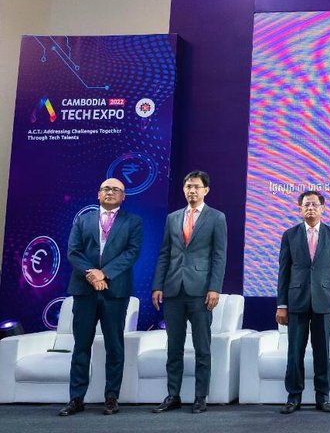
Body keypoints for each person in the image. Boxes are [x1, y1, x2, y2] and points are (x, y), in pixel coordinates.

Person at [59, 178, 143, 416]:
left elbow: (132, 253)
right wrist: (92, 274)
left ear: (123, 197)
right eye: (106, 189)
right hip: (84, 290)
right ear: (98, 194)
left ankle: (111, 397)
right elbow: (73, 251)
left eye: (116, 190)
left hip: (115, 292)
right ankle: (76, 399)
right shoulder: (83, 220)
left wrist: (104, 273)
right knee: (81, 345)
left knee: (114, 346)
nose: (110, 192)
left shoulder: (133, 221)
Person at [151, 170, 227, 414]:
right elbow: (165, 253)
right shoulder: (173, 218)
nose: (192, 190)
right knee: (174, 347)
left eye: (196, 187)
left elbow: (219, 256)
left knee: (202, 348)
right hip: (173, 289)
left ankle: (200, 397)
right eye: (188, 187)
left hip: (201, 291)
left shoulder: (217, 217)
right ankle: (173, 395)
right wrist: (157, 285)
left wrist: (214, 288)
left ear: (206, 190)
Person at [276, 191, 330, 414]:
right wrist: (282, 305)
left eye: (315, 204)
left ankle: (323, 397)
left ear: (322, 208)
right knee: (294, 352)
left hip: (323, 302)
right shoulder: (290, 235)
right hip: (296, 301)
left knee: (322, 351)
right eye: (306, 205)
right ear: (300, 209)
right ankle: (293, 397)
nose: (310, 208)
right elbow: (283, 272)